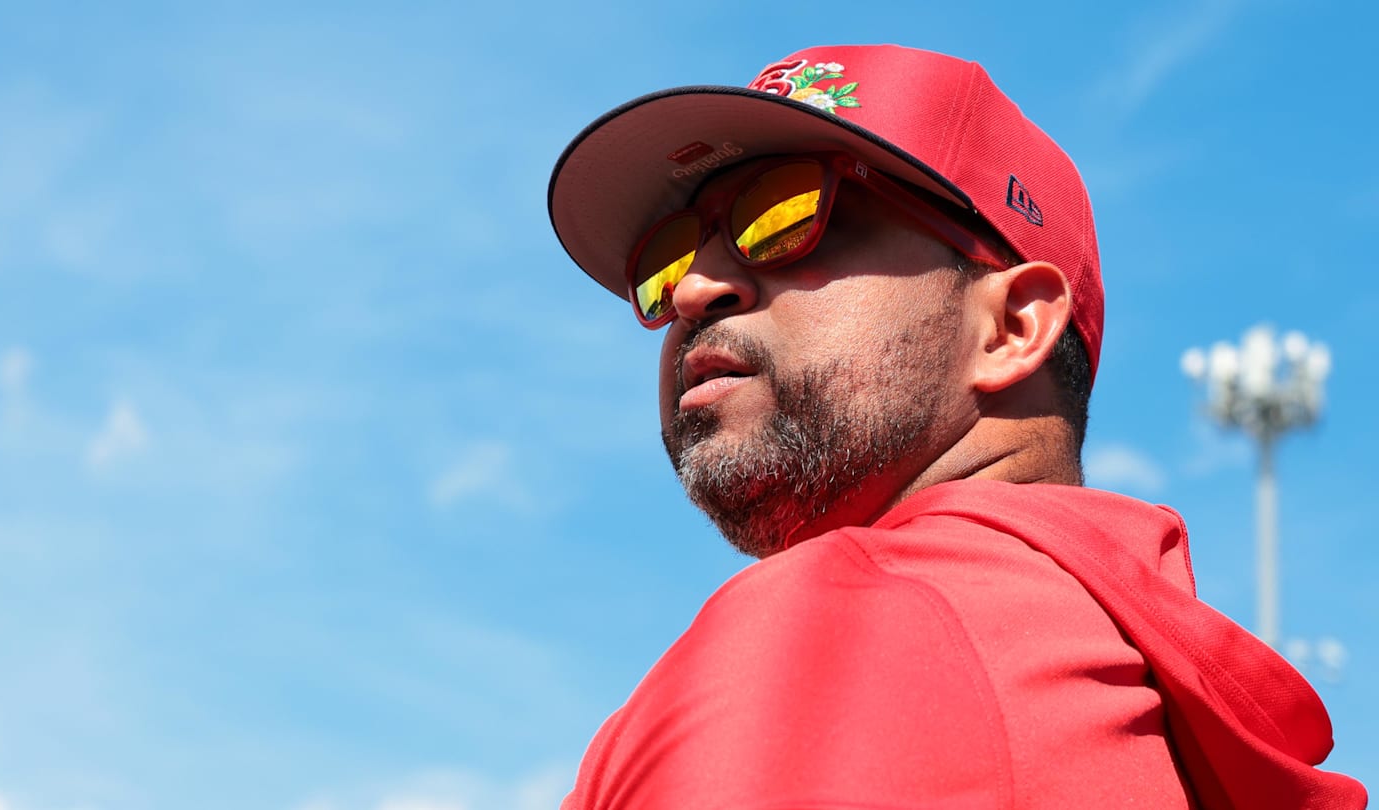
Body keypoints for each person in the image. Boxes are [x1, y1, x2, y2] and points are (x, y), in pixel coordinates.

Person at [546, 44, 1367, 809]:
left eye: (786, 213)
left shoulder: (853, 627)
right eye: (665, 263)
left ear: (1011, 327)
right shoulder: (1138, 696)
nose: (693, 290)